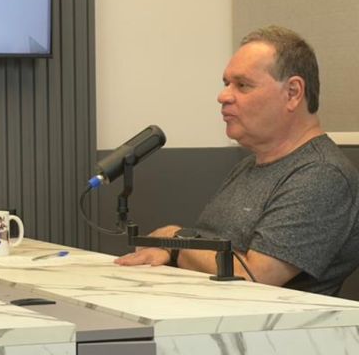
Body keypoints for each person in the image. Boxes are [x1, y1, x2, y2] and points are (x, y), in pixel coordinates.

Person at [115, 26, 359, 296]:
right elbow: (213, 251)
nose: (223, 96)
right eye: (226, 84)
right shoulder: (249, 165)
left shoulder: (322, 175)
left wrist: (175, 239)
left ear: (292, 92)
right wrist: (172, 254)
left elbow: (253, 276)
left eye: (242, 85)